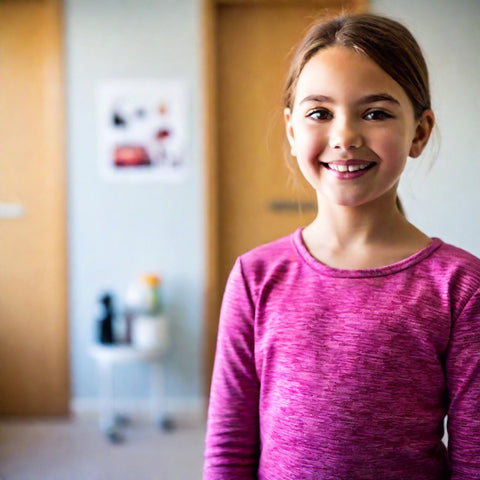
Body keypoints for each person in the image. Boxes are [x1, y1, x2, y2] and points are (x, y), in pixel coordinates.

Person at [203, 12, 480, 480]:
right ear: (292, 131)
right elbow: (228, 450)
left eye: (375, 113)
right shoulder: (255, 276)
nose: (345, 137)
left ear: (419, 131)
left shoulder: (460, 286)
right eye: (320, 113)